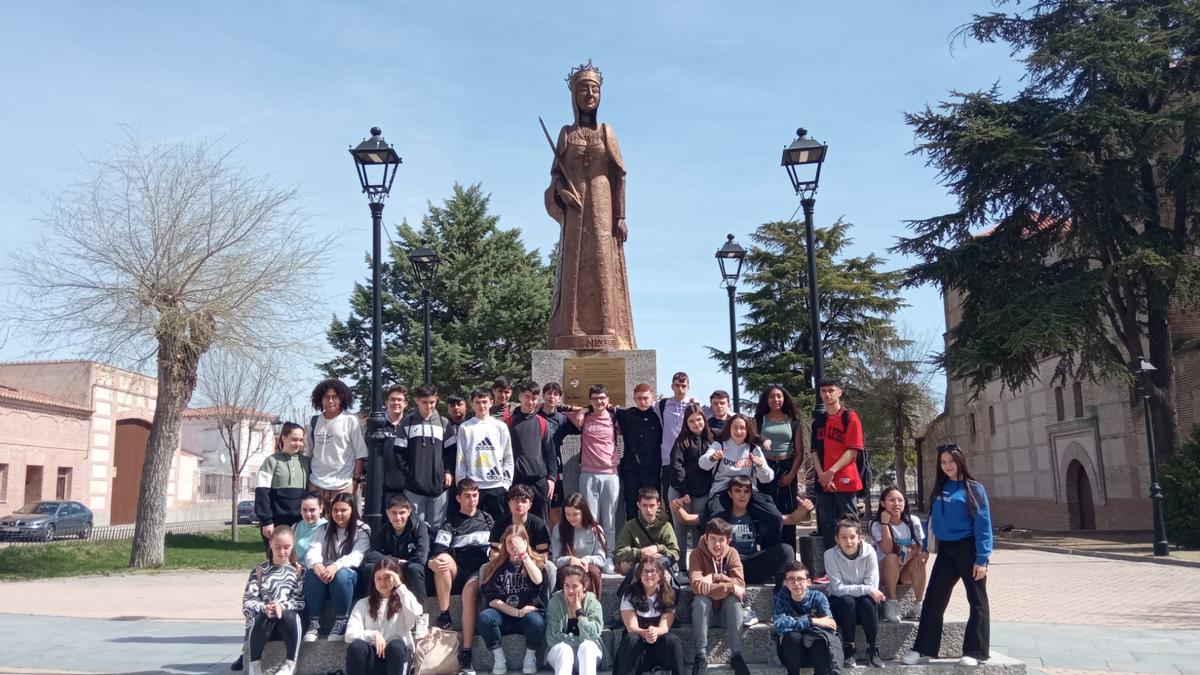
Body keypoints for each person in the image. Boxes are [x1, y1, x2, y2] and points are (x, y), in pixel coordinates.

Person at [544, 59, 636, 352]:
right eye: (583, 89)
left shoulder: (607, 131)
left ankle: (609, 331)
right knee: (574, 265)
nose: (589, 94)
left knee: (602, 261)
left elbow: (620, 174)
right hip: (575, 211)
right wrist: (561, 192)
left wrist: (620, 216)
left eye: (594, 89)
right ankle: (571, 331)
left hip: (602, 203)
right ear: (574, 95)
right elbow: (556, 176)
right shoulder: (566, 133)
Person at [902, 444, 993, 668]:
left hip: (969, 550)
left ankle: (976, 651)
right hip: (946, 551)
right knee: (934, 598)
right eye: (943, 462)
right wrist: (924, 547)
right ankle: (923, 649)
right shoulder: (939, 487)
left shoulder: (974, 489)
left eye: (951, 461)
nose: (948, 466)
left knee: (977, 600)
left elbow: (984, 525)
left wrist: (982, 559)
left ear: (960, 461)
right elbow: (932, 521)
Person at [672, 475, 802, 627]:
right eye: (738, 490)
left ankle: (782, 604)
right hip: (727, 568)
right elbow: (687, 519)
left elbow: (791, 519)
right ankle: (743, 608)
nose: (742, 495)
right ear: (730, 493)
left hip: (751, 563)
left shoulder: (757, 515)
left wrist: (805, 508)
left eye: (746, 491)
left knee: (786, 550)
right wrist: (677, 508)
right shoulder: (720, 517)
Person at [427, 479, 495, 675]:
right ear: (458, 498)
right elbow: (438, 551)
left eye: (475, 495)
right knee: (442, 560)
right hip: (459, 569)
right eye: (467, 496)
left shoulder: (488, 519)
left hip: (480, 571)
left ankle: (466, 653)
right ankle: (444, 614)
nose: (472, 500)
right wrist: (432, 561)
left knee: (469, 591)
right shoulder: (450, 523)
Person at [700, 414, 783, 547]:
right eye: (735, 428)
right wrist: (713, 458)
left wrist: (761, 465)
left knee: (775, 517)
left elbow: (768, 478)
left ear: (747, 430)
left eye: (742, 428)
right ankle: (717, 558)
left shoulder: (753, 448)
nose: (739, 432)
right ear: (729, 429)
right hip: (723, 489)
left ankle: (769, 552)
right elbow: (702, 463)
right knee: (716, 519)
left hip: (747, 490)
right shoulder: (719, 444)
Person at [478, 524, 549, 675]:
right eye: (509, 542)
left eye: (516, 542)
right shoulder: (496, 565)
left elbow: (537, 580)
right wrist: (517, 612)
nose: (512, 546)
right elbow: (493, 600)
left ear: (525, 542)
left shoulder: (536, 563)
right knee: (485, 618)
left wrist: (524, 556)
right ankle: (498, 657)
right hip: (504, 614)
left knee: (537, 622)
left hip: (529, 615)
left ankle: (530, 656)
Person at [565, 384, 620, 570]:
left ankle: (609, 556)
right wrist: (583, 410)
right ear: (590, 400)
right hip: (588, 474)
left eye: (603, 398)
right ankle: (596, 555)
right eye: (595, 399)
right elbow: (554, 408)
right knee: (592, 520)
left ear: (608, 399)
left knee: (610, 520)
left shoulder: (614, 417)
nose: (599, 402)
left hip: (610, 474)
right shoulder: (585, 417)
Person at [303, 492, 371, 641]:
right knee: (311, 574)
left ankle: (341, 620)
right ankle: (314, 622)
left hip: (350, 576)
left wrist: (336, 566)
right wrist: (317, 564)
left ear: (352, 510)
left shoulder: (362, 529)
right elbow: (314, 549)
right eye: (335, 510)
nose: (338, 514)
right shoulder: (325, 528)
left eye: (343, 510)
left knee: (341, 575)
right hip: (327, 573)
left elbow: (357, 556)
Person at [688, 519, 750, 675]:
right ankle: (701, 656)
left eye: (722, 540)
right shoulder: (696, 554)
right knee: (700, 600)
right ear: (706, 537)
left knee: (734, 601)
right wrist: (730, 586)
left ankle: (736, 655)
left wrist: (715, 578)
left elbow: (740, 585)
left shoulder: (732, 553)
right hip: (704, 615)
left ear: (728, 541)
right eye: (713, 539)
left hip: (725, 614)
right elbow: (697, 586)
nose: (717, 545)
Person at [243, 525, 306, 675]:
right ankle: (254, 665)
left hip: (288, 626)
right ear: (270, 544)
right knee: (260, 617)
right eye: (277, 547)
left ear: (293, 545)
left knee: (291, 615)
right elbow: (247, 602)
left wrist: (281, 607)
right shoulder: (259, 571)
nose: (282, 551)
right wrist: (264, 607)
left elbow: (300, 600)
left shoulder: (299, 571)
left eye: (286, 547)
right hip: (263, 626)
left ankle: (291, 664)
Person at [391, 383, 456, 527]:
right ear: (416, 401)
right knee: (414, 526)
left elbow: (451, 451)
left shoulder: (444, 423)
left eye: (432, 402)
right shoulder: (407, 423)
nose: (429, 406)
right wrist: (409, 473)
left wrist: (448, 471)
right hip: (414, 487)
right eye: (424, 402)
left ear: (437, 399)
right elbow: (398, 452)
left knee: (437, 527)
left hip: (439, 487)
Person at [345, 557, 424, 675]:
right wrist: (373, 635)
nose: (382, 583)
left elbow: (417, 612)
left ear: (396, 578)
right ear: (374, 581)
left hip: (398, 657)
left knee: (395, 646)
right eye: (379, 579)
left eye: (387, 578)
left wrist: (400, 587)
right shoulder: (363, 603)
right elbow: (349, 635)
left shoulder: (404, 600)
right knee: (357, 646)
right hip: (374, 657)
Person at [810, 378, 864, 550]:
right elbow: (814, 452)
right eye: (823, 391)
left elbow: (852, 450)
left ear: (839, 392)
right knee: (827, 526)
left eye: (831, 390)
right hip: (824, 482)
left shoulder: (849, 417)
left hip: (844, 479)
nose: (827, 394)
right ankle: (831, 568)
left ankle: (854, 563)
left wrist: (831, 472)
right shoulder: (818, 421)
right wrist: (822, 476)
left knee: (849, 523)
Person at [823, 518, 884, 669]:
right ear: (837, 539)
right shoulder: (830, 555)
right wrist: (866, 589)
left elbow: (872, 585)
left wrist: (868, 590)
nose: (848, 542)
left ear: (859, 537)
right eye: (843, 537)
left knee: (867, 602)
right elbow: (837, 588)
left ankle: (872, 649)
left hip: (865, 603)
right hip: (842, 603)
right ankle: (849, 647)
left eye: (852, 537)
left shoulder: (870, 551)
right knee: (847, 601)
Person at [362, 495, 430, 629]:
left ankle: (421, 617)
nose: (398, 517)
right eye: (393, 513)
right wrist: (395, 562)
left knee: (414, 569)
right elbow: (371, 555)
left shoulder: (419, 527)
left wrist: (402, 565)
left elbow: (421, 557)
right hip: (394, 568)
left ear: (409, 511)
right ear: (387, 513)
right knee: (370, 568)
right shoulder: (384, 530)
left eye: (402, 513)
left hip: (413, 570)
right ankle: (373, 612)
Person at [754, 385, 808, 550]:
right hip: (765, 467)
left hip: (787, 466)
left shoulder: (792, 421)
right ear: (766, 399)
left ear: (784, 398)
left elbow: (800, 452)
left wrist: (792, 474)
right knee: (767, 513)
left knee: (788, 512)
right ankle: (768, 554)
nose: (775, 400)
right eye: (771, 396)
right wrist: (762, 440)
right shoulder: (758, 419)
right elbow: (753, 440)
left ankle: (789, 556)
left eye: (779, 396)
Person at [305, 379, 369, 515]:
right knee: (317, 529)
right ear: (320, 399)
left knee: (346, 529)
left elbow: (360, 454)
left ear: (341, 398)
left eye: (334, 397)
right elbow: (309, 453)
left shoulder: (350, 420)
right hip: (316, 483)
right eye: (326, 397)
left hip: (344, 484)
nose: (330, 400)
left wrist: (355, 481)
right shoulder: (314, 421)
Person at [613, 559, 686, 675]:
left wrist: (656, 631)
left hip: (658, 646)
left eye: (653, 571)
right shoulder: (629, 594)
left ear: (660, 575)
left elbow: (665, 626)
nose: (649, 575)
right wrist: (646, 633)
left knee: (672, 641)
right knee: (631, 639)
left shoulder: (668, 594)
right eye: (645, 571)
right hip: (636, 650)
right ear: (639, 575)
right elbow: (632, 627)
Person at [773, 561, 843, 675]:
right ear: (785, 582)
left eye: (800, 579)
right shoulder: (781, 597)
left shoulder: (818, 597)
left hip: (815, 653)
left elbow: (829, 626)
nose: (796, 583)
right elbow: (780, 625)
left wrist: (795, 624)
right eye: (791, 579)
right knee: (793, 637)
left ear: (808, 582)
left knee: (820, 640)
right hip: (791, 654)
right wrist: (812, 621)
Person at [667, 404, 715, 570]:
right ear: (686, 423)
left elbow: (736, 430)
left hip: (701, 493)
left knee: (699, 531)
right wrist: (683, 492)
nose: (696, 424)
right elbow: (676, 466)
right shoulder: (682, 441)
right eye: (691, 421)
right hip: (681, 492)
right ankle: (680, 569)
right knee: (680, 531)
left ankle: (697, 568)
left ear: (704, 419)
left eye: (699, 419)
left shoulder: (712, 437)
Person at [870, 485, 927, 623]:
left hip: (904, 570)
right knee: (891, 557)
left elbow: (917, 547)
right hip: (885, 571)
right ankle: (892, 603)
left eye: (900, 500)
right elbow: (887, 549)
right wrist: (885, 523)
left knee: (919, 561)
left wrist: (908, 556)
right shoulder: (875, 524)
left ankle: (919, 605)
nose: (897, 504)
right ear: (883, 503)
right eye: (892, 500)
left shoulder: (912, 521)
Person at [456, 388, 514, 519]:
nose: (481, 406)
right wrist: (462, 485)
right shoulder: (465, 427)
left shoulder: (500, 426)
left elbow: (508, 456)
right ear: (472, 404)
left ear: (491, 402)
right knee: (474, 525)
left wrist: (506, 484)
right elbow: (461, 459)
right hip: (474, 487)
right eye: (477, 402)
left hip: (497, 486)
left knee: (499, 528)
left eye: (484, 402)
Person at [255, 422, 310, 556]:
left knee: (298, 561)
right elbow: (262, 493)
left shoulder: (307, 462)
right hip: (275, 523)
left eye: (301, 440)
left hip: (299, 523)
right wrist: (267, 521)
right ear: (283, 438)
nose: (298, 443)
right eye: (294, 439)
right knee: (276, 561)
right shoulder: (271, 461)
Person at [506, 381, 557, 523]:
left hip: (539, 481)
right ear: (520, 397)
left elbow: (550, 453)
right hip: (516, 480)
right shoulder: (508, 422)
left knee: (542, 523)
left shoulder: (542, 423)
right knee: (516, 522)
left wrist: (551, 479)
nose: (530, 401)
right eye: (527, 397)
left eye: (534, 398)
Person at [612, 383, 664, 522]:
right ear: (634, 399)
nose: (643, 401)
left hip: (652, 469)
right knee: (631, 506)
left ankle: (652, 540)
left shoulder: (659, 417)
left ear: (652, 398)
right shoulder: (627, 415)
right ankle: (633, 541)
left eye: (646, 398)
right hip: (631, 469)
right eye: (639, 398)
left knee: (652, 507)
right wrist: (581, 411)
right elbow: (602, 406)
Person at [545, 565, 605, 675]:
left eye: (575, 586)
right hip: (560, 656)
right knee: (565, 649)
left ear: (584, 586)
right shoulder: (555, 602)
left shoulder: (593, 604)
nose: (570, 590)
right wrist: (577, 640)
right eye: (566, 585)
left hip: (587, 656)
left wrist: (580, 613)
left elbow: (592, 636)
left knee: (587, 646)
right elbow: (552, 638)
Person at [613, 487, 679, 576]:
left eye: (652, 505)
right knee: (625, 565)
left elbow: (675, 553)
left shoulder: (666, 526)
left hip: (659, 562)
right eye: (644, 505)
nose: (648, 510)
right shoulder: (630, 525)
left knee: (669, 568)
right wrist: (641, 552)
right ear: (638, 505)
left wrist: (658, 548)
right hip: (638, 562)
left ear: (658, 504)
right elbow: (619, 552)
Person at [551, 493, 608, 594]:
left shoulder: (595, 529)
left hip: (588, 567)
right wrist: (570, 560)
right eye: (567, 514)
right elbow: (555, 560)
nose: (571, 518)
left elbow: (601, 558)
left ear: (583, 512)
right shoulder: (559, 529)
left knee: (593, 571)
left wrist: (586, 559)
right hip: (567, 567)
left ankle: (591, 605)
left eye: (575, 514)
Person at [656, 372, 696, 502]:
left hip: (689, 461)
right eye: (677, 385)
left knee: (692, 500)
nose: (680, 389)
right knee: (670, 502)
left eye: (684, 386)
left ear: (688, 387)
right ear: (672, 386)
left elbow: (720, 411)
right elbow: (643, 405)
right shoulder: (661, 405)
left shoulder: (694, 406)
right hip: (668, 461)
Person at [490, 484, 553, 566]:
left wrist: (526, 562)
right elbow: (494, 553)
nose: (519, 504)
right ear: (509, 504)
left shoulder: (538, 524)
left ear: (530, 505)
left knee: (550, 567)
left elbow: (543, 554)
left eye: (523, 501)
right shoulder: (500, 524)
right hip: (506, 564)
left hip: (531, 563)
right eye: (515, 501)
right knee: (484, 568)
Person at [538, 382, 571, 529]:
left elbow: (581, 426)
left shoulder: (562, 419)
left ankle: (555, 548)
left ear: (559, 398)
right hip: (537, 469)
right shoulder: (535, 416)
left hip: (555, 470)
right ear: (543, 395)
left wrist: (579, 411)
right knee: (537, 510)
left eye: (556, 394)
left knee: (555, 512)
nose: (552, 397)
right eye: (549, 393)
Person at [294, 492, 326, 568]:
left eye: (312, 510)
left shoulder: (327, 528)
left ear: (321, 509)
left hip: (317, 570)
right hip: (296, 569)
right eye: (304, 510)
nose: (308, 514)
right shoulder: (296, 526)